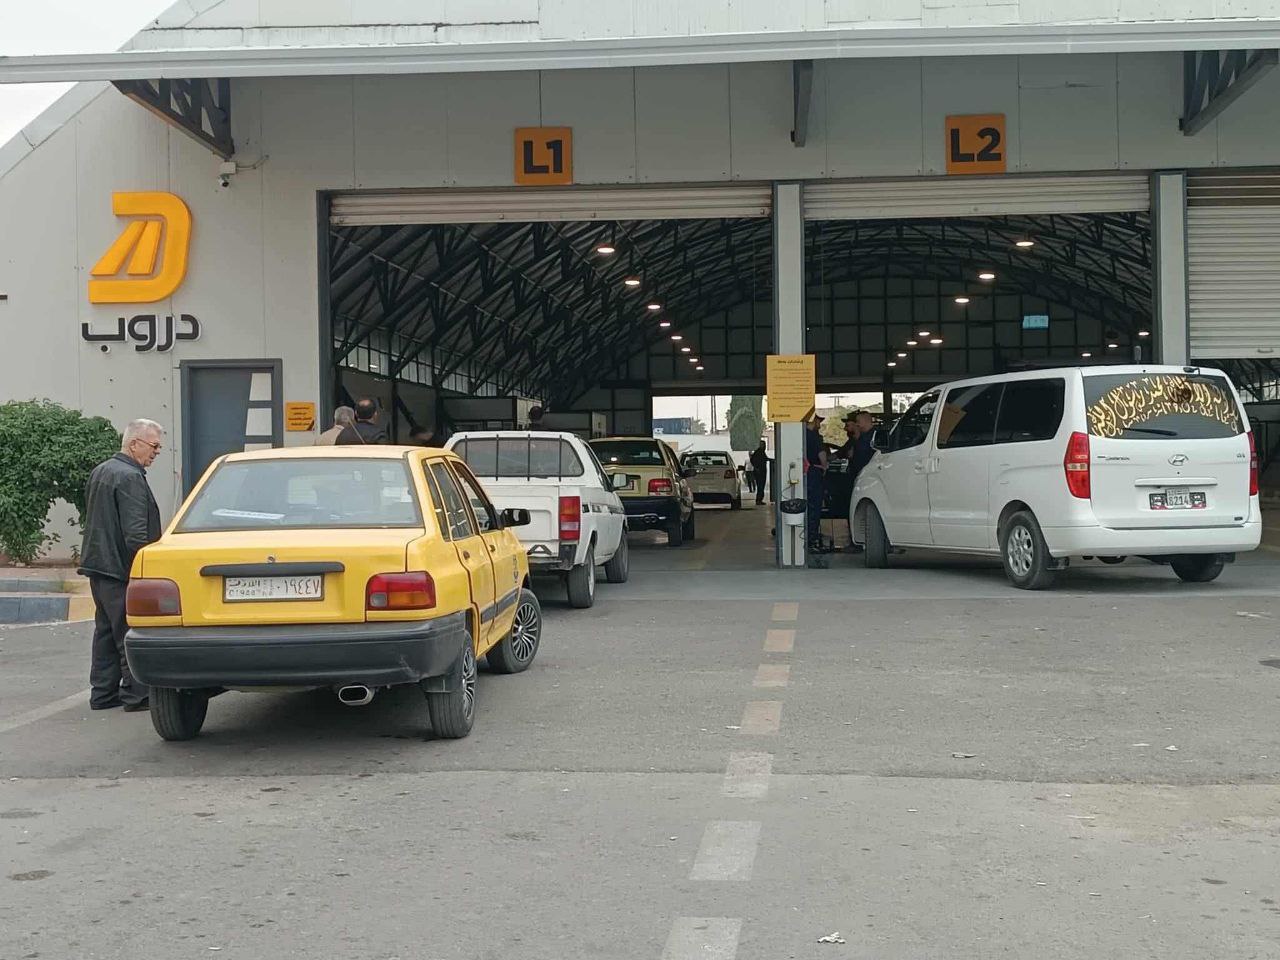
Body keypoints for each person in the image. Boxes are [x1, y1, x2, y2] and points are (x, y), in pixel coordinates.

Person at [78, 419, 164, 712]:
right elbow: (136, 534)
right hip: (120, 568)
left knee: (105, 632)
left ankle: (103, 694)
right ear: (134, 444)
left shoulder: (102, 470)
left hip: (98, 565)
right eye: (154, 446)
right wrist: (150, 568)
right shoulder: (130, 477)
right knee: (128, 631)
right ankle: (137, 695)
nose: (156, 452)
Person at [804, 414, 828, 549]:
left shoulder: (801, 435)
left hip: (805, 474)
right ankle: (812, 538)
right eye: (819, 421)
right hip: (814, 472)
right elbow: (821, 453)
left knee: (807, 505)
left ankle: (807, 535)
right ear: (814, 421)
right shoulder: (815, 436)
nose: (820, 424)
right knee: (815, 505)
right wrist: (824, 466)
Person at [749, 441, 770, 505]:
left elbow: (765, 458)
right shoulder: (758, 452)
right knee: (760, 486)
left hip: (761, 471)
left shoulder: (761, 452)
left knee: (761, 486)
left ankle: (760, 499)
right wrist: (756, 467)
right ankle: (758, 500)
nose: (764, 446)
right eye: (763, 445)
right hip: (760, 472)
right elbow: (752, 460)